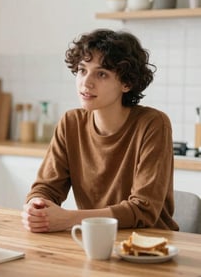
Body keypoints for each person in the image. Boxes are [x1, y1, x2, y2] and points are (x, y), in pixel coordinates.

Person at [21, 29, 179, 233]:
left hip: (150, 247)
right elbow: (46, 188)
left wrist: (69, 219)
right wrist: (36, 207)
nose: (86, 83)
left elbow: (143, 210)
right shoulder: (71, 122)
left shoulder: (153, 124)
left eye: (101, 73)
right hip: (95, 239)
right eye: (82, 70)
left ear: (126, 83)